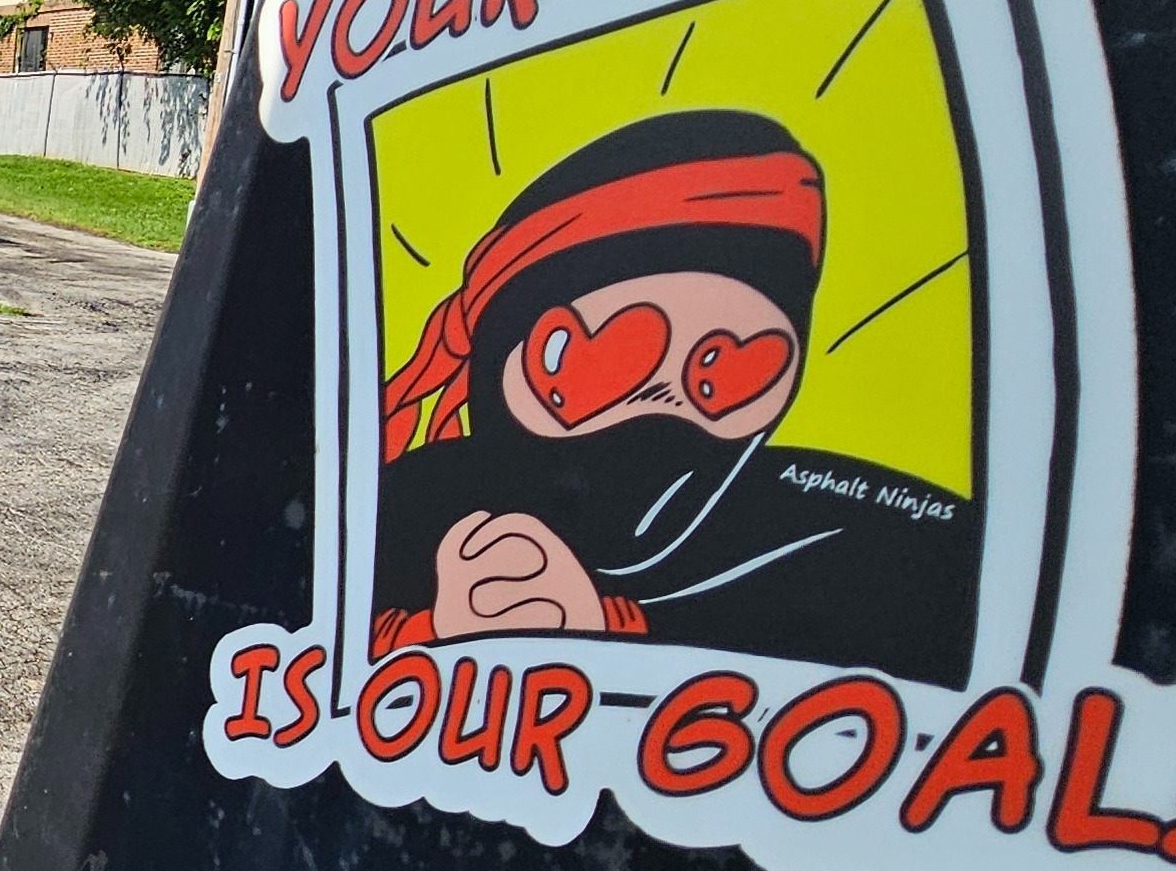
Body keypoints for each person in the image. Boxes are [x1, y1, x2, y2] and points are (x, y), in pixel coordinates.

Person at [369, 109, 981, 687]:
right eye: (607, 363)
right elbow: (302, 655)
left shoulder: (861, 536)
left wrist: (611, 634)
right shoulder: (404, 507)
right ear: (506, 346)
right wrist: (432, 636)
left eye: (722, 374)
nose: (661, 406)